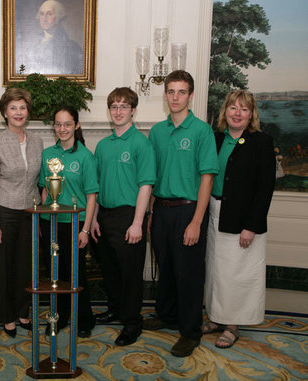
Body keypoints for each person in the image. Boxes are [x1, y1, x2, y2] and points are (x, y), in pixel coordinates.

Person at [144, 70, 219, 357]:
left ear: (191, 95)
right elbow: (152, 175)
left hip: (189, 210)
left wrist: (197, 222)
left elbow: (207, 179)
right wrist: (151, 213)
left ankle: (190, 331)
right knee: (166, 267)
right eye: (171, 92)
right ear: (165, 95)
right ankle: (167, 314)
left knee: (188, 273)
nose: (175, 97)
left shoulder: (201, 131)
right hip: (161, 210)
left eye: (182, 92)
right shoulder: (158, 132)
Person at [203, 90, 275, 348]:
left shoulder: (262, 142)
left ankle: (232, 326)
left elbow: (266, 188)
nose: (237, 113)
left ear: (251, 114)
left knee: (236, 274)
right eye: (233, 108)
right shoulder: (216, 139)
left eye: (243, 109)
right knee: (216, 271)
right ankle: (216, 317)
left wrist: (251, 227)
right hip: (214, 212)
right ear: (225, 111)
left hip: (243, 220)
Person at [91, 87, 156, 346]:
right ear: (110, 111)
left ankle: (132, 321)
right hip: (104, 215)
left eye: (123, 107)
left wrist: (138, 223)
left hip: (129, 215)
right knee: (110, 269)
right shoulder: (103, 146)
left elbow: (145, 186)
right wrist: (93, 218)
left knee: (130, 273)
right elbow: (94, 186)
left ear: (133, 110)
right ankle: (115, 309)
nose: (118, 111)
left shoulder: (142, 143)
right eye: (114, 107)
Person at [0, 88, 43, 337]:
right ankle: (6, 315)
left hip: (30, 212)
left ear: (28, 112)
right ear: (4, 113)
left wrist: (40, 215)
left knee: (26, 267)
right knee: (5, 267)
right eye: (13, 108)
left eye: (22, 107)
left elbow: (38, 181)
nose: (18, 112)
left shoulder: (37, 141)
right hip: (5, 213)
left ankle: (22, 311)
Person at [39, 106, 97, 338]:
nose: (62, 129)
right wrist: (41, 221)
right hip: (49, 222)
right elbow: (44, 191)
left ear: (76, 125)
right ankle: (60, 316)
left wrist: (85, 229)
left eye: (67, 124)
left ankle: (84, 318)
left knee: (76, 273)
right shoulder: (47, 155)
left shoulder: (85, 156)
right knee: (55, 274)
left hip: (75, 223)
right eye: (58, 124)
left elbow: (91, 195)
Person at [16, 0, 83, 75]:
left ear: (58, 17)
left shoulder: (72, 47)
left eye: (49, 14)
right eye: (42, 14)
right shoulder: (32, 44)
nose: (44, 19)